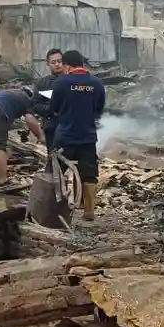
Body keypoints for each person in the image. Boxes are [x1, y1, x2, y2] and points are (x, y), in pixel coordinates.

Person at [50, 50, 106, 221]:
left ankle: (56, 209)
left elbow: (54, 108)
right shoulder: (97, 83)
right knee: (89, 174)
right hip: (88, 137)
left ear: (67, 65)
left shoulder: (61, 82)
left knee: (57, 172)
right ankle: (89, 211)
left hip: (65, 137)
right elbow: (99, 110)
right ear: (82, 64)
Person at [0, 87, 45, 183]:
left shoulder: (9, 93)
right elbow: (30, 119)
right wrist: (41, 136)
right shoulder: (26, 99)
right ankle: (3, 180)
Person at [33, 48, 64, 149]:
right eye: (53, 62)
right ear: (48, 64)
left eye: (60, 61)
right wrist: (51, 109)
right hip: (52, 127)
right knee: (53, 157)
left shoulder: (73, 81)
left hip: (73, 127)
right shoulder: (42, 84)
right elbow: (35, 105)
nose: (57, 64)